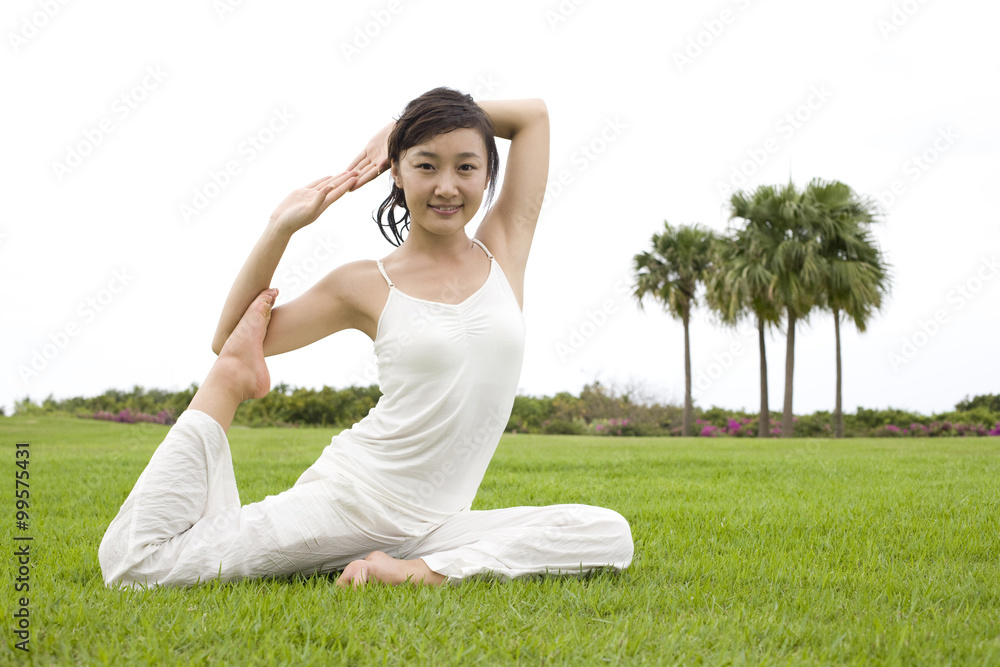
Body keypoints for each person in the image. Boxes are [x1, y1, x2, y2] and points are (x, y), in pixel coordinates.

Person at [99, 88, 633, 588]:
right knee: (136, 565)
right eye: (426, 165)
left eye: (466, 167)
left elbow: (533, 116)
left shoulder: (504, 250)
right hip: (351, 501)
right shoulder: (364, 282)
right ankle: (232, 389)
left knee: (608, 532)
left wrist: (400, 124)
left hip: (440, 524)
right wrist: (281, 227)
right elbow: (233, 335)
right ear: (396, 174)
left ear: (488, 172)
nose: (447, 185)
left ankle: (414, 571)